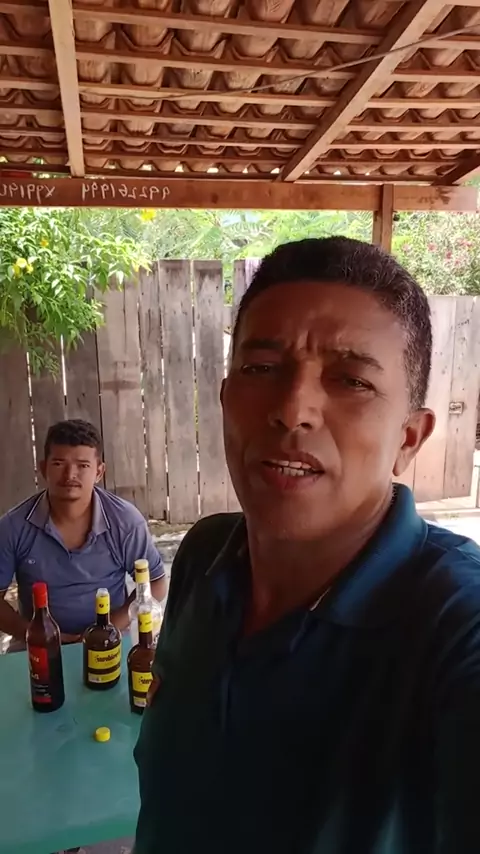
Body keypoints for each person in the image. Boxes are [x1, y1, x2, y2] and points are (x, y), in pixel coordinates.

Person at [134, 237, 480, 854]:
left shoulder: (455, 623)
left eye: (351, 380)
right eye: (262, 369)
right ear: (225, 399)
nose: (293, 409)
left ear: (409, 437)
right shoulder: (206, 556)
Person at [0, 419, 166, 646]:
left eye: (83, 465)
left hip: (112, 640)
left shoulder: (125, 522)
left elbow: (155, 583)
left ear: (99, 472)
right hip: (36, 644)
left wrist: (106, 630)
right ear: (43, 468)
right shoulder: (13, 526)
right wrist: (38, 635)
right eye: (59, 463)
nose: (70, 474)